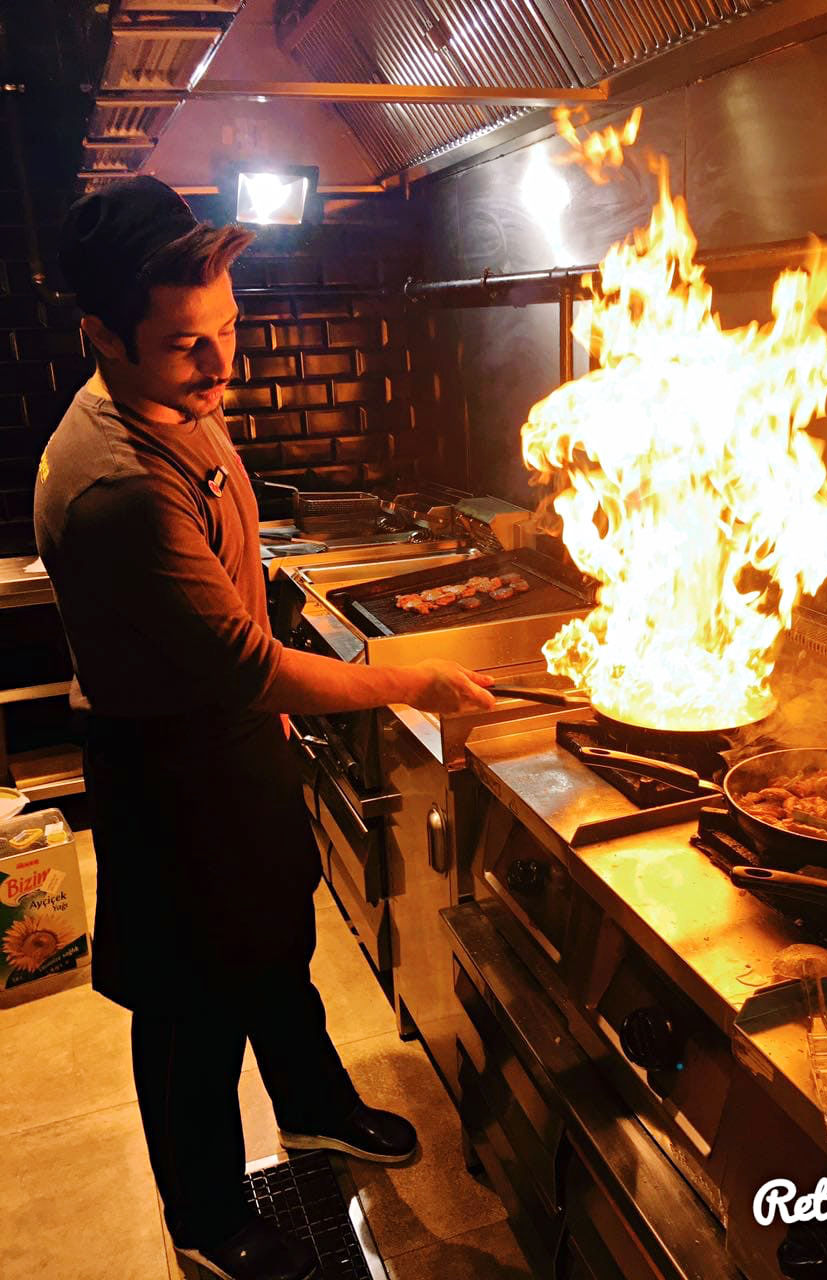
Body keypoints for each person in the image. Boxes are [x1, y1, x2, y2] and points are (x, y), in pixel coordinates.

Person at [33, 177, 496, 1280]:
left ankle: (316, 1105)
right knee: (191, 1008)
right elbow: (248, 668)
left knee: (275, 947)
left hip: (227, 743)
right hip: (170, 762)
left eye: (228, 329)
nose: (220, 365)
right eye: (187, 345)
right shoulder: (120, 487)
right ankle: (202, 1215)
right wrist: (413, 680)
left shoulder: (166, 397)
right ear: (101, 334)